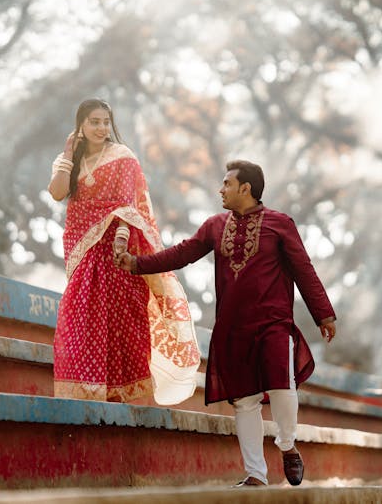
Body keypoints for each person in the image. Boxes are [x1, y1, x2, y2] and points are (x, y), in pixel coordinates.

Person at [116, 160, 337, 487]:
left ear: (245, 188)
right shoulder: (214, 226)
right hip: (233, 328)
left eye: (226, 184)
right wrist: (137, 264)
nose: (221, 189)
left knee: (282, 386)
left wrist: (324, 313)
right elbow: (182, 253)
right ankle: (256, 475)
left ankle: (287, 445)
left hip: (274, 323)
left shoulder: (280, 224)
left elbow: (303, 268)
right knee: (245, 402)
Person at [47, 98, 200, 404]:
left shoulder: (122, 156)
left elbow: (128, 207)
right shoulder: (69, 159)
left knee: (122, 320)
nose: (101, 128)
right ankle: (85, 392)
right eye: (94, 122)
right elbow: (57, 192)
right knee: (81, 314)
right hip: (82, 247)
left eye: (106, 122)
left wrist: (120, 238)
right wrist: (67, 154)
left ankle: (126, 396)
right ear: (81, 125)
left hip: (117, 249)